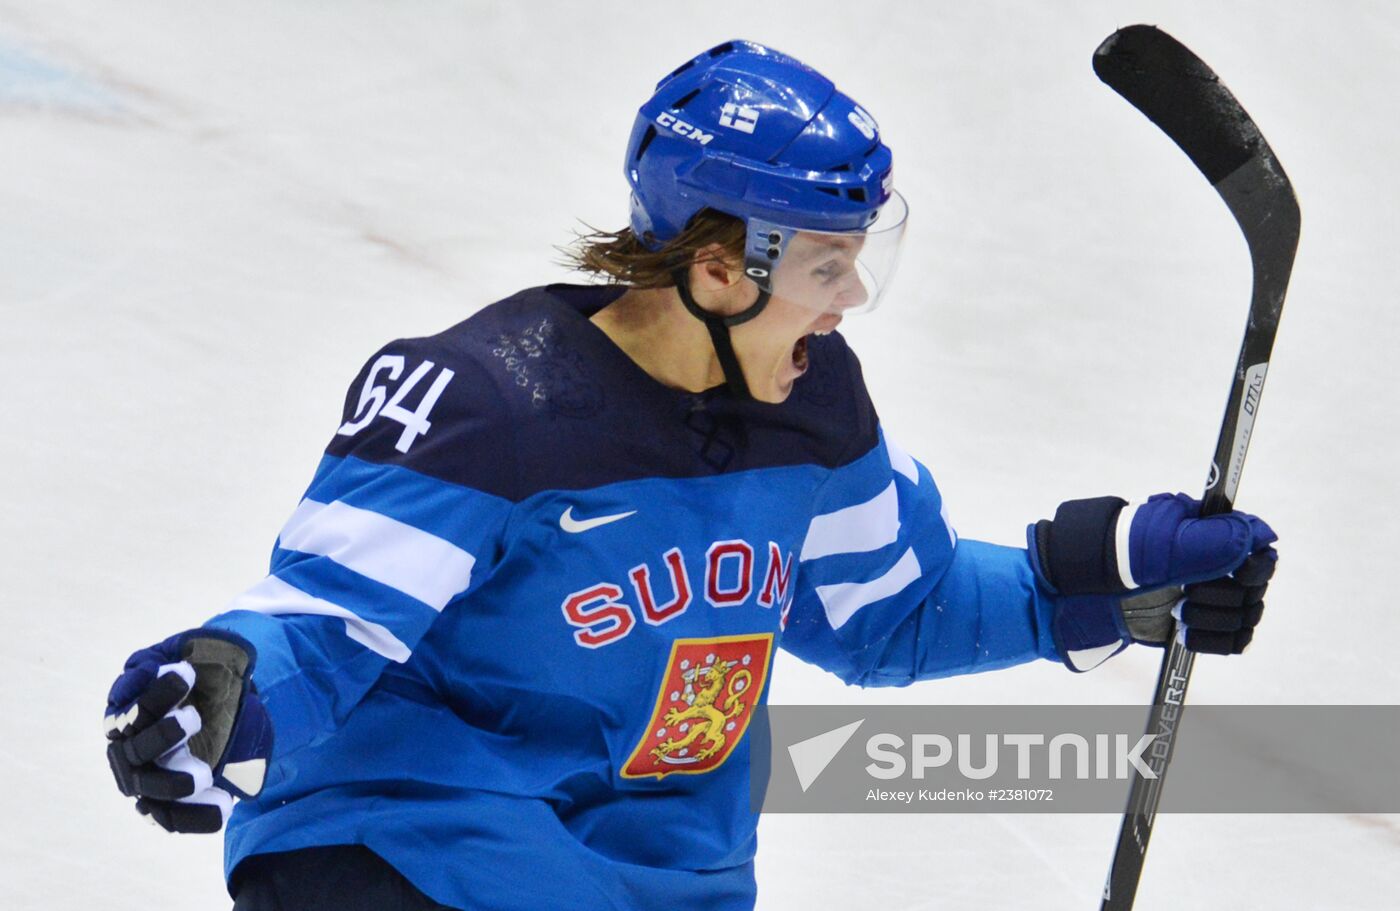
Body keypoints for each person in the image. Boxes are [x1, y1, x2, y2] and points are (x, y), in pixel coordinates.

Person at [103, 40, 1277, 911]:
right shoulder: (487, 402)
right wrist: (223, 688)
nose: (851, 296)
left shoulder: (812, 406)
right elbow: (329, 620)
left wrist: (1113, 580)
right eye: (826, 264)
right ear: (718, 269)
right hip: (412, 849)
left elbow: (894, 611)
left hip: (654, 874)